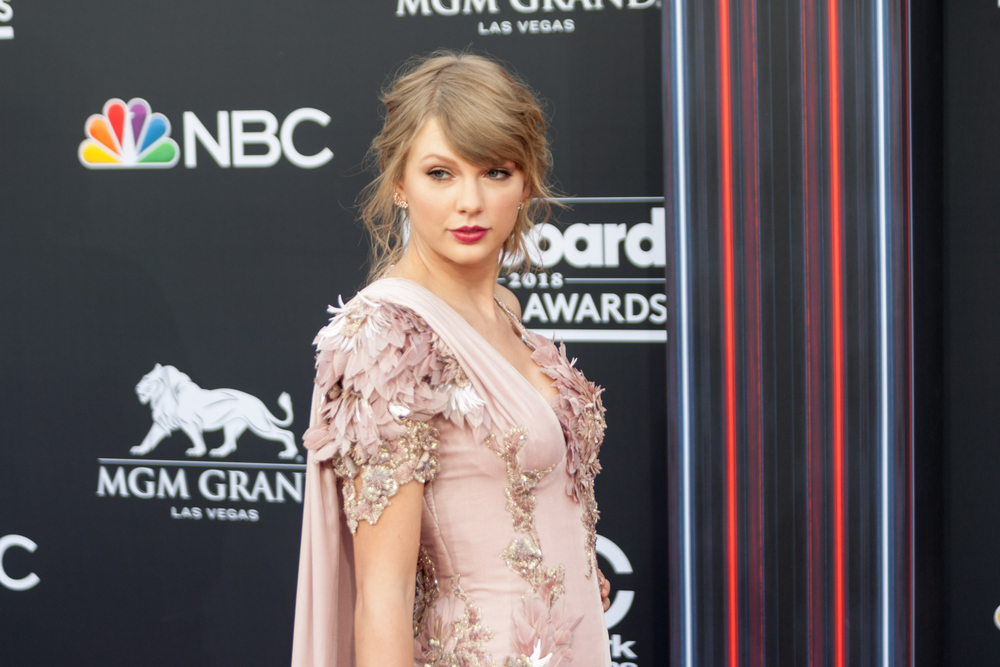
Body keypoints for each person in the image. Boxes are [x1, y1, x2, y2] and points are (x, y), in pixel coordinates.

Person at [291, 51, 612, 667]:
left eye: (495, 172)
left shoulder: (505, 309)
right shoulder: (387, 339)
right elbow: (381, 599)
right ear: (399, 183)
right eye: (440, 173)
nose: (470, 201)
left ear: (526, 182)